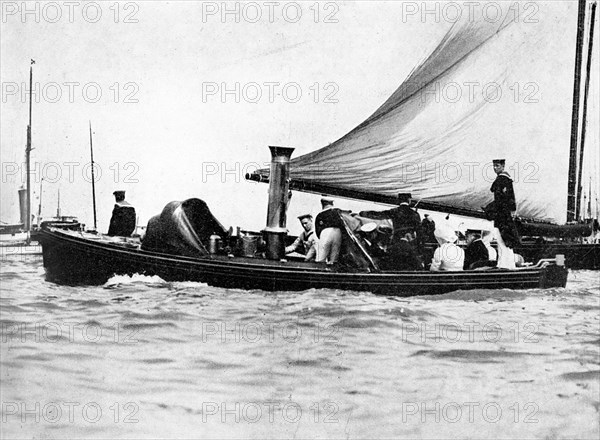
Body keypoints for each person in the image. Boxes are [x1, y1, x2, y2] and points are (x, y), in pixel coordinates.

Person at [485, 159, 520, 269]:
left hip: (501, 217)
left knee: (502, 241)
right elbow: (510, 200)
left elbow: (500, 200)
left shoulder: (501, 180)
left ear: (503, 166)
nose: (495, 168)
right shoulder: (506, 179)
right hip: (505, 216)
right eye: (494, 166)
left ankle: (505, 265)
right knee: (506, 242)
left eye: (497, 166)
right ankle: (507, 264)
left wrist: (490, 209)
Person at [315, 198, 345, 264]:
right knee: (334, 258)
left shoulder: (320, 215)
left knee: (321, 257)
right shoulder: (338, 212)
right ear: (332, 203)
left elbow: (317, 230)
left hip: (325, 232)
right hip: (338, 232)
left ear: (322, 204)